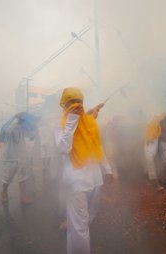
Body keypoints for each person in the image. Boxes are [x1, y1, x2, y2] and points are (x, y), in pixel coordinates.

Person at [54, 87, 114, 254]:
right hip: (76, 183)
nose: (77, 105)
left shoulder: (88, 122)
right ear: (64, 105)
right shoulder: (61, 124)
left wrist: (107, 169)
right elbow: (63, 148)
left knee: (84, 221)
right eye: (72, 102)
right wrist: (73, 118)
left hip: (95, 180)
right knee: (80, 228)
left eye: (79, 101)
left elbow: (97, 147)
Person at [0, 112, 37, 204]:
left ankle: (23, 197)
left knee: (23, 178)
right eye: (20, 119)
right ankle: (4, 191)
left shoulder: (22, 128)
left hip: (21, 157)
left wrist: (34, 127)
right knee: (7, 179)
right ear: (15, 119)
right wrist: (16, 120)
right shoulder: (8, 126)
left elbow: (31, 136)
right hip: (10, 159)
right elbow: (7, 132)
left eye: (22, 120)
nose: (22, 121)